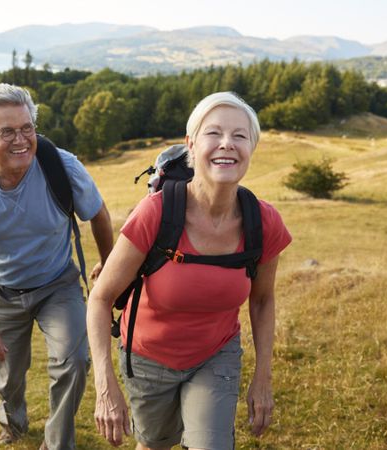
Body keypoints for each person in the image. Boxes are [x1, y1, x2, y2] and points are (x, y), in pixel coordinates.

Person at [86, 92, 291, 449]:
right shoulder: (156, 212)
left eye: (240, 135)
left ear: (251, 149)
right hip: (148, 358)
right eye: (214, 133)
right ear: (191, 146)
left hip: (216, 353)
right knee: (155, 445)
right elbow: (101, 297)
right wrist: (105, 386)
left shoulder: (264, 221)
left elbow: (262, 301)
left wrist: (263, 377)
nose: (227, 144)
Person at [0, 83, 114, 450]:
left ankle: (57, 442)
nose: (21, 140)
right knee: (8, 376)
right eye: (7, 131)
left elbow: (99, 215)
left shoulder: (62, 167)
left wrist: (108, 266)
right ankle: (13, 419)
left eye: (27, 128)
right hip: (1, 292)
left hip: (58, 285)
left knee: (74, 360)